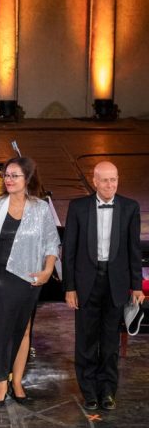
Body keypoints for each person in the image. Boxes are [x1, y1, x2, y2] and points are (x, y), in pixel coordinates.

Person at [0, 156, 60, 407]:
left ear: (27, 178)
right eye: (6, 175)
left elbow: (51, 243)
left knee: (24, 329)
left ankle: (17, 381)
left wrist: (47, 270)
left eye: (14, 175)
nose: (8, 180)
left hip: (28, 278)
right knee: (0, 329)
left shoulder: (40, 208)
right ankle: (0, 384)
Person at [62, 161, 144, 411]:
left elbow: (134, 250)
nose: (110, 185)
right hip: (86, 282)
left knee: (110, 342)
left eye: (114, 179)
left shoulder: (130, 207)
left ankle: (107, 391)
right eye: (105, 180)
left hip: (116, 283)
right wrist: (69, 287)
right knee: (85, 340)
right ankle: (89, 392)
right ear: (94, 181)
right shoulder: (78, 207)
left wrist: (137, 286)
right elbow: (69, 251)